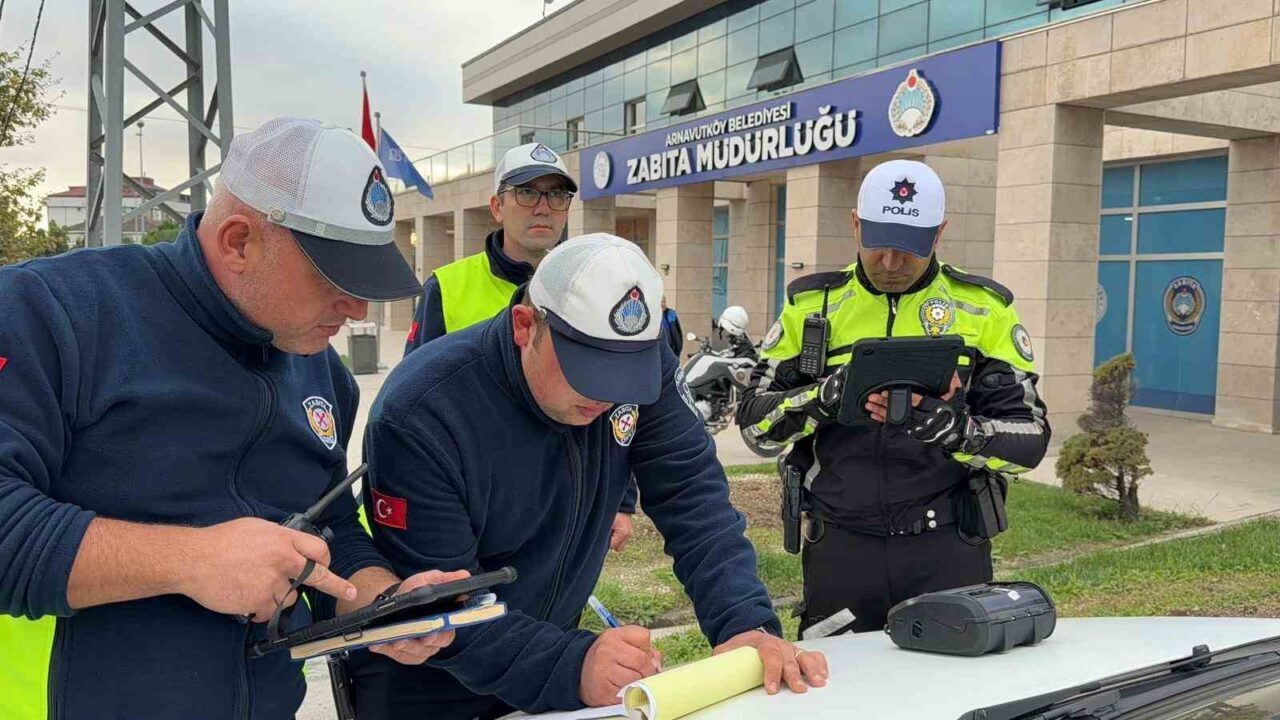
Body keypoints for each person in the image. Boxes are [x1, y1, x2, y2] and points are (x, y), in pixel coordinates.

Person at [0, 118, 464, 720]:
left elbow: (325, 528)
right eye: (334, 276)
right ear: (239, 242)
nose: (356, 308)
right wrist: (192, 560)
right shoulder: (52, 312)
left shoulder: (323, 373)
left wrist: (381, 603)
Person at [351, 233, 828, 719]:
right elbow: (442, 602)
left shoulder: (640, 366)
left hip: (550, 656)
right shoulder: (423, 411)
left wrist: (743, 622)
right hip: (428, 684)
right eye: (589, 369)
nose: (607, 395)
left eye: (626, 374)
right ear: (524, 327)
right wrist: (570, 665)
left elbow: (692, 496)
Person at [736, 159, 1050, 637]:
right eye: (878, 243)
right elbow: (754, 428)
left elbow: (1030, 440)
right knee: (836, 679)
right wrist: (823, 399)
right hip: (840, 549)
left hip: (947, 547)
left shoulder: (984, 309)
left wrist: (957, 431)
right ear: (855, 224)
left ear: (939, 233)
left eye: (908, 248)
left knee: (952, 680)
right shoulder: (811, 306)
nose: (890, 263)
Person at [403, 142, 635, 552]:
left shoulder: (595, 286)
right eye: (526, 192)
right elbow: (412, 401)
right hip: (473, 498)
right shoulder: (448, 286)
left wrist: (621, 497)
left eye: (557, 195)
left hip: (565, 502)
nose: (543, 207)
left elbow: (618, 395)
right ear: (497, 206)